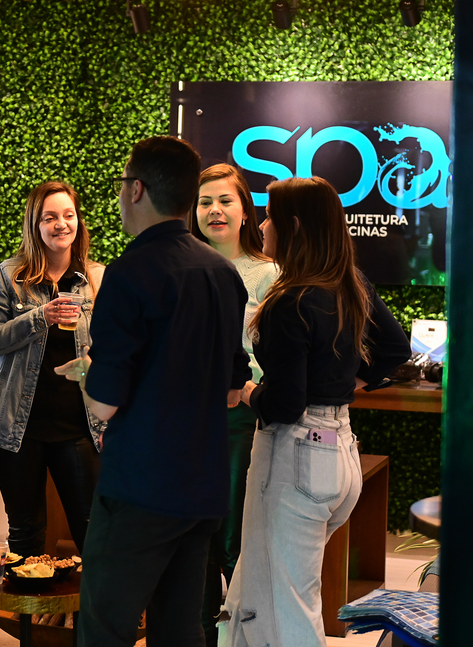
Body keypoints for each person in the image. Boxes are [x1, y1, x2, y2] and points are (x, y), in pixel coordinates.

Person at [63, 136, 252, 647]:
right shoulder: (223, 274)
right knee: (180, 630)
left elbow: (104, 402)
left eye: (123, 183)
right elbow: (233, 390)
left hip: (141, 486)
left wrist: (88, 371)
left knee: (105, 628)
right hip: (203, 485)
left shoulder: (128, 274)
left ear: (137, 189)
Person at [225, 176, 411, 647]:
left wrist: (245, 391)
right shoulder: (347, 284)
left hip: (295, 460)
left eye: (269, 217)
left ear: (292, 225)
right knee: (257, 591)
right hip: (339, 453)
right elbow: (395, 348)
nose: (261, 226)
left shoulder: (290, 301)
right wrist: (343, 386)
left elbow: (284, 405)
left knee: (284, 606)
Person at [0, 180, 105, 557]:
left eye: (68, 215)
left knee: (94, 532)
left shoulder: (97, 279)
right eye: (50, 217)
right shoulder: (10, 275)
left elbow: (117, 345)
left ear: (78, 221)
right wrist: (40, 317)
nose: (61, 224)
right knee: (26, 532)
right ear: (35, 224)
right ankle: (27, 599)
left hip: (80, 427)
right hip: (16, 427)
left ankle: (89, 601)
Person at [189, 164, 278, 639]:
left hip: (238, 420)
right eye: (205, 202)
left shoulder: (268, 274)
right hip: (185, 420)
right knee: (192, 540)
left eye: (225, 201)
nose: (215, 210)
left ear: (246, 211)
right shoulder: (182, 265)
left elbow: (273, 355)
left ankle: (242, 636)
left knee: (231, 538)